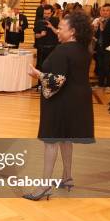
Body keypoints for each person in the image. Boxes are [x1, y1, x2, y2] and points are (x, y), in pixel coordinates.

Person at [24, 11, 95, 201]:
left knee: (51, 141)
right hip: (78, 100)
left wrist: (37, 74)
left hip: (62, 100)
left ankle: (44, 185)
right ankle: (67, 177)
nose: (57, 31)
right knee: (66, 138)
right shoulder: (83, 49)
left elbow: (57, 80)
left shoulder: (63, 50)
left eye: (61, 28)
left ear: (72, 31)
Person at [93, 4, 110, 93]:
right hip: (100, 46)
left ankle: (108, 85)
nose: (105, 12)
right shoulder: (100, 20)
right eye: (103, 10)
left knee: (107, 66)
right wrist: (95, 31)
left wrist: (102, 27)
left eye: (107, 10)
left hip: (108, 47)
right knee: (100, 66)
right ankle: (100, 84)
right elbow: (98, 35)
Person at [33, 5, 59, 88]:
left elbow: (58, 33)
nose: (46, 15)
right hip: (42, 48)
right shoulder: (39, 21)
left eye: (48, 13)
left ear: (52, 13)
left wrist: (51, 27)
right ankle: (40, 84)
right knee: (41, 66)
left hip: (52, 48)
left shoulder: (56, 21)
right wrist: (41, 35)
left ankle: (51, 84)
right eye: (45, 13)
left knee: (52, 67)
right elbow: (36, 35)